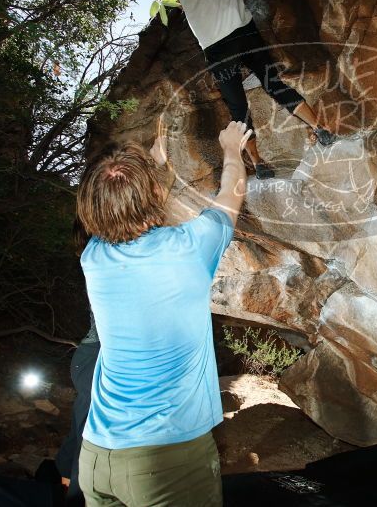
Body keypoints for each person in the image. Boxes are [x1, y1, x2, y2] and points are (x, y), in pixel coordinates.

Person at [74, 120, 251, 506]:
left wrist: (152, 165)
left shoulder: (94, 256)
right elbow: (231, 193)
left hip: (95, 456)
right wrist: (232, 148)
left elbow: (125, 211)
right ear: (153, 193)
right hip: (164, 461)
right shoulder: (188, 248)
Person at [54, 119, 174, 506]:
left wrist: (154, 166)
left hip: (94, 355)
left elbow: (138, 210)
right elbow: (147, 214)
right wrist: (155, 169)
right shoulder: (105, 248)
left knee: (85, 428)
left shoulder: (97, 246)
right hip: (100, 359)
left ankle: (63, 474)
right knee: (92, 439)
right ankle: (71, 487)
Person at [161, 0, 337, 180]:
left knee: (238, 107)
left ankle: (258, 163)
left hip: (215, 46)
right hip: (243, 30)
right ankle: (319, 128)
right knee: (273, 84)